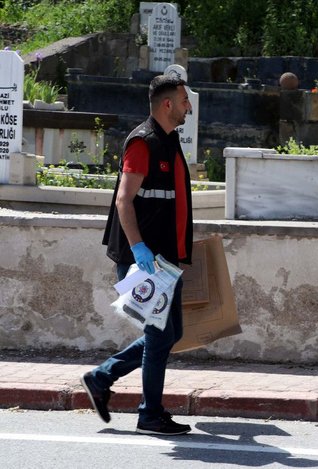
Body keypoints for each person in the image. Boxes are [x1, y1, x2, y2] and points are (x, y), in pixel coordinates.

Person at [80, 75, 194, 436]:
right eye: (184, 101)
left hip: (164, 260)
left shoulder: (168, 140)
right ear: (167, 105)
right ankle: (150, 414)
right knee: (161, 334)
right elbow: (123, 200)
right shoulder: (143, 143)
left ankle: (101, 377)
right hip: (143, 259)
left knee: (170, 333)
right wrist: (137, 250)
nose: (188, 107)